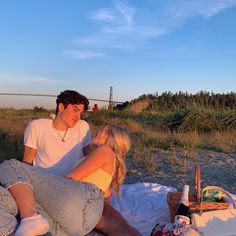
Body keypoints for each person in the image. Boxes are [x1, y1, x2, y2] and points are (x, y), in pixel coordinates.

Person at [0, 90, 140, 236]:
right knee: (3, 197)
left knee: (10, 165)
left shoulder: (104, 150)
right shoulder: (105, 159)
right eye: (75, 110)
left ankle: (30, 217)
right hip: (78, 223)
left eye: (103, 131)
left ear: (110, 139)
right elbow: (105, 192)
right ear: (61, 107)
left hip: (75, 197)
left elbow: (71, 179)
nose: (78, 117)